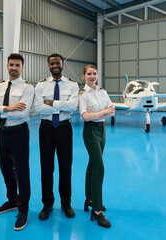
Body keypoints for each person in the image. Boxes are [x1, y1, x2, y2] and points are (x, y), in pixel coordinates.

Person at [0, 53, 34, 231]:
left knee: (21, 171)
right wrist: (7, 108)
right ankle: (12, 200)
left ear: (22, 67)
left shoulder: (27, 88)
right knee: (6, 169)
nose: (14, 68)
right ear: (7, 66)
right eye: (11, 64)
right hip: (2, 132)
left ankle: (23, 209)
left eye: (17, 65)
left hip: (19, 132)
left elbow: (22, 113)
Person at [33, 53, 79, 220]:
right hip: (46, 129)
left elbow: (73, 107)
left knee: (65, 167)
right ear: (48, 66)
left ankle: (66, 203)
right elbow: (38, 108)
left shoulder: (72, 85)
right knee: (46, 168)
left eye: (57, 63)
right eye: (51, 64)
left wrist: (51, 103)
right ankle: (47, 204)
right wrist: (61, 107)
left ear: (63, 64)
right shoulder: (40, 86)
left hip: (64, 129)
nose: (54, 66)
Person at [78, 65, 115, 228]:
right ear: (83, 76)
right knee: (100, 168)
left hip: (102, 130)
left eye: (94, 74)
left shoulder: (102, 92)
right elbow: (85, 117)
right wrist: (102, 112)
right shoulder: (82, 95)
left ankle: (90, 199)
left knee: (93, 165)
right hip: (91, 132)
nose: (92, 76)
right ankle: (97, 211)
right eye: (89, 74)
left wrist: (98, 114)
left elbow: (112, 111)